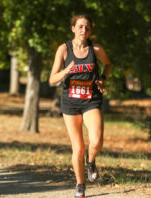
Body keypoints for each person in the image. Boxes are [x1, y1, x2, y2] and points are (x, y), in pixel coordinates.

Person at [49, 14, 111, 198]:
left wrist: (103, 78)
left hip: (91, 99)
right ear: (73, 28)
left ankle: (90, 161)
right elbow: (52, 79)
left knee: (97, 140)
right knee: (78, 147)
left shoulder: (96, 48)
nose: (84, 30)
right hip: (70, 101)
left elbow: (107, 64)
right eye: (80, 26)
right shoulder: (64, 49)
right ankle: (80, 185)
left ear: (91, 30)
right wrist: (66, 70)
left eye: (87, 27)